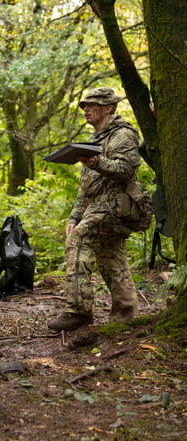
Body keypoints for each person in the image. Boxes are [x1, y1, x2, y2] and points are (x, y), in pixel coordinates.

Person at [48, 87, 141, 331]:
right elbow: (85, 186)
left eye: (92, 105)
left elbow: (126, 170)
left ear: (108, 108)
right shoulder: (94, 141)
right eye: (84, 106)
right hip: (99, 206)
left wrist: (95, 161)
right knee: (112, 258)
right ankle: (126, 317)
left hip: (116, 206)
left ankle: (78, 311)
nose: (86, 110)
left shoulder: (123, 134)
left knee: (79, 241)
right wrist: (75, 215)